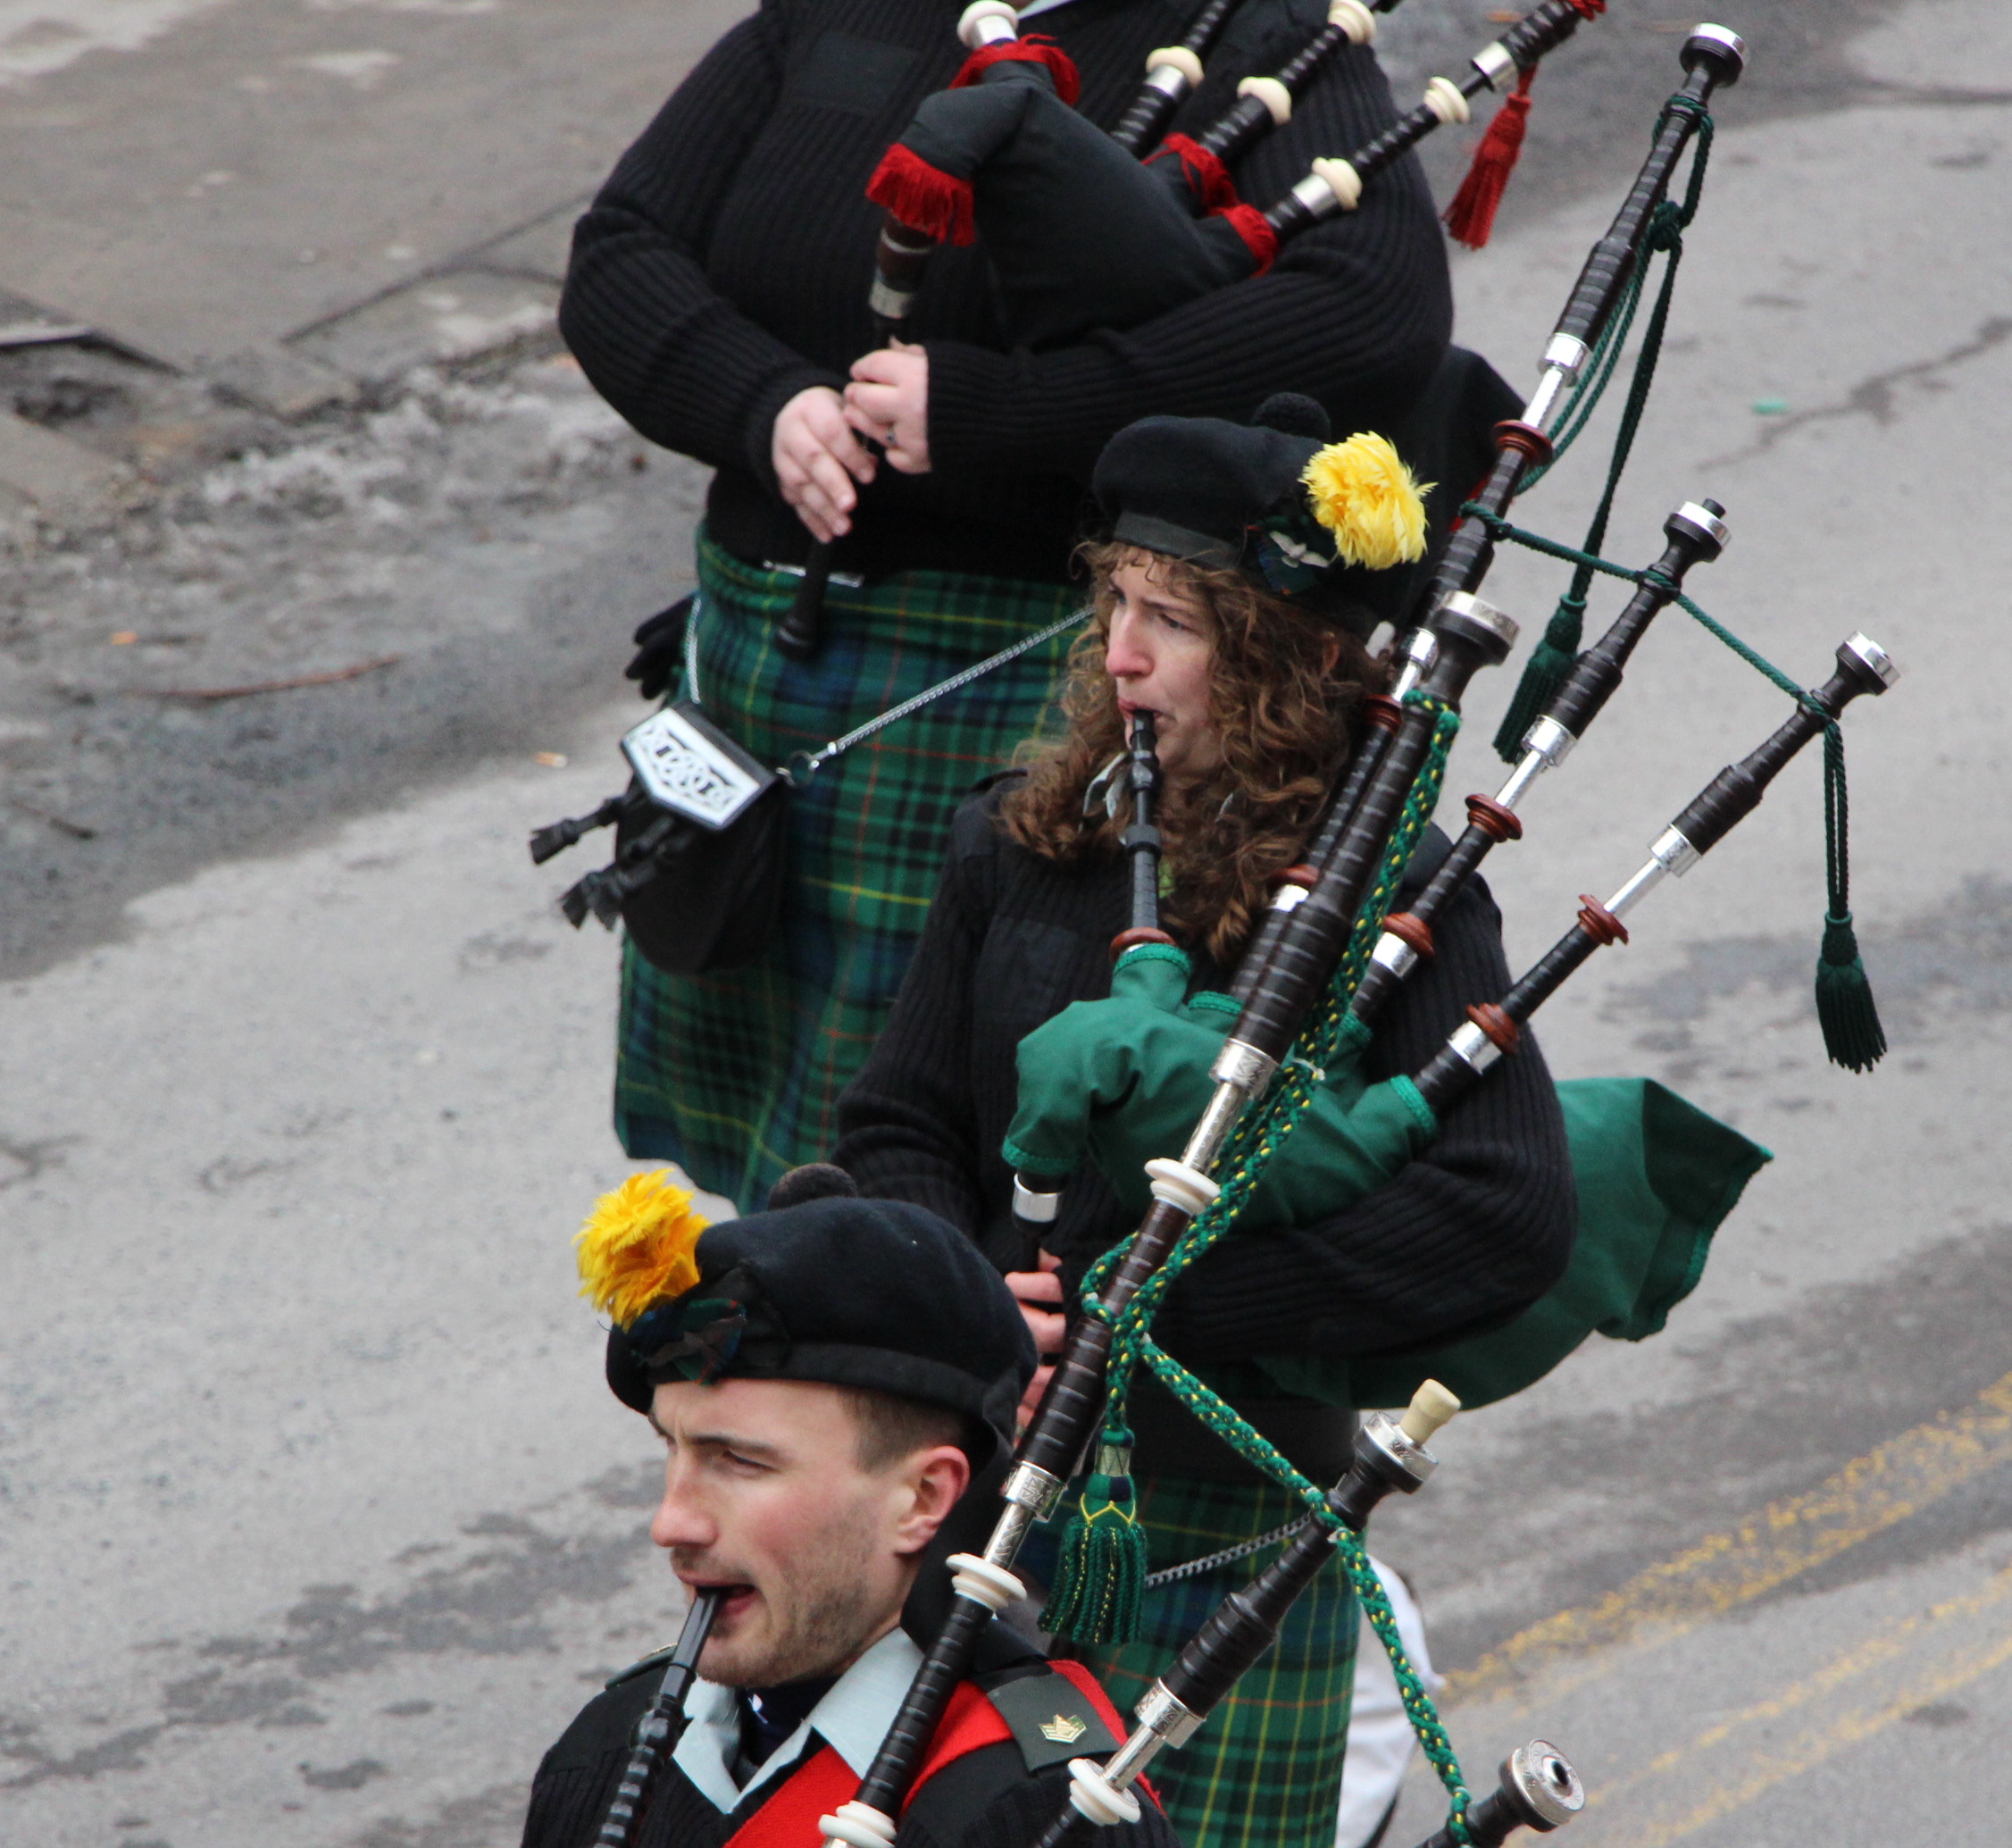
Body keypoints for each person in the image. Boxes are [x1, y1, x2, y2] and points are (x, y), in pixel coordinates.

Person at [831, 403, 1574, 1848]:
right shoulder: (1019, 841)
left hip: (1227, 1529)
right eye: (1114, 606)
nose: (1121, 655)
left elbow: (1507, 1211)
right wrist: (975, 1297)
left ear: (1281, 662)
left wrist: (1165, 1306)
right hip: (977, 1496)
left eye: (1169, 619)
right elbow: (894, 1124)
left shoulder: (1395, 888)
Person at [557, 0, 1452, 1209]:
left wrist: (1008, 413)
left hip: (1019, 673)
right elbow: (623, 248)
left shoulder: (1254, 35)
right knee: (770, 1140)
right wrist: (762, 404)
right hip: (762, 662)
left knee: (926, 1143)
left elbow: (1372, 312)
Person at [483, 1173, 1208, 1848]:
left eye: (739, 1461)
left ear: (923, 1498)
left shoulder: (1054, 1835)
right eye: (673, 1448)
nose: (671, 1522)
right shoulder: (605, 1748)